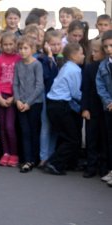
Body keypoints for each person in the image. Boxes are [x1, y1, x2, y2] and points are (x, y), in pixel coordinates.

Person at [44, 42, 85, 175]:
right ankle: (53, 162)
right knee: (72, 138)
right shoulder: (75, 69)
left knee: (66, 135)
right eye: (81, 53)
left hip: (53, 104)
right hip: (60, 105)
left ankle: (68, 163)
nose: (83, 56)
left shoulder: (66, 66)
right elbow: (75, 93)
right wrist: (88, 100)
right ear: (73, 55)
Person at [13, 36, 44, 173]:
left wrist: (29, 102)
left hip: (34, 104)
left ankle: (33, 158)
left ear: (32, 49)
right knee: (24, 131)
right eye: (20, 48)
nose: (23, 51)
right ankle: (26, 159)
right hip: (20, 103)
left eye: (26, 48)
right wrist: (18, 100)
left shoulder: (37, 64)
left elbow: (39, 86)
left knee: (33, 131)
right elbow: (15, 84)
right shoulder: (18, 64)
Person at [0, 31, 21, 167]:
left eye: (11, 44)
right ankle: (6, 153)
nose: (8, 47)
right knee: (3, 126)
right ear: (1, 45)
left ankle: (14, 153)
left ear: (15, 44)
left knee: (10, 126)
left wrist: (14, 97)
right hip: (1, 96)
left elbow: (20, 80)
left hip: (12, 97)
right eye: (5, 45)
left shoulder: (18, 58)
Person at [81, 38, 108, 178]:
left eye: (96, 51)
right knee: (91, 139)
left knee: (104, 139)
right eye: (92, 51)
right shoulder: (89, 68)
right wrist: (84, 108)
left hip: (105, 109)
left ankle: (103, 167)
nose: (93, 54)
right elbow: (85, 89)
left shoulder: (107, 67)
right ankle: (91, 166)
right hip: (92, 109)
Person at [37, 30, 63, 167]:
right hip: (47, 96)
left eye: (59, 44)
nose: (56, 47)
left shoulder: (63, 58)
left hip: (59, 99)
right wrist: (50, 58)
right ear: (46, 45)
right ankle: (43, 156)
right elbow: (48, 77)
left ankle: (51, 155)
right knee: (46, 127)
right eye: (53, 44)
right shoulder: (42, 59)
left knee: (55, 128)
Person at [96, 30, 112, 187]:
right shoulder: (103, 65)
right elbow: (100, 86)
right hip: (109, 108)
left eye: (111, 46)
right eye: (106, 46)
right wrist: (108, 102)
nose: (108, 49)